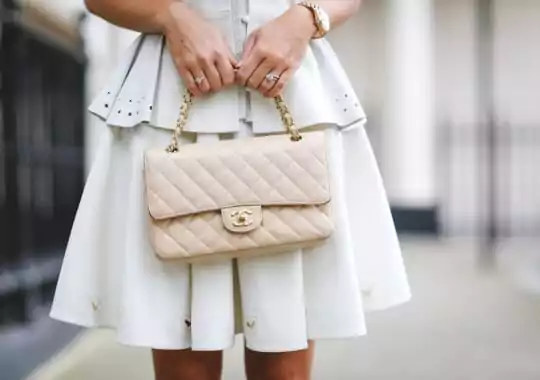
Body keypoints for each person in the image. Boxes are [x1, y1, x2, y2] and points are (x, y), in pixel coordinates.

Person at [50, 0, 411, 379]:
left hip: (289, 95)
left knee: (285, 363)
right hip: (175, 99)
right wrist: (172, 17)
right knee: (184, 357)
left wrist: (305, 18)